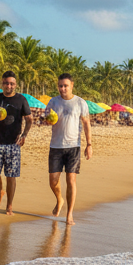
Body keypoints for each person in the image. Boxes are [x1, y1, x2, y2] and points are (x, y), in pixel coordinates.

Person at [45, 73, 92, 225]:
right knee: (53, 181)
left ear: (72, 85)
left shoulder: (80, 103)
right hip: (56, 146)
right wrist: (48, 120)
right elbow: (46, 119)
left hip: (73, 146)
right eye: (60, 86)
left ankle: (69, 214)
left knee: (71, 180)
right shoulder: (53, 102)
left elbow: (86, 123)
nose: (63, 88)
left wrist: (89, 144)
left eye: (65, 86)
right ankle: (59, 199)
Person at [0, 71, 32, 215]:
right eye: (6, 83)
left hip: (13, 144)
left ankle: (9, 206)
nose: (8, 86)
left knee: (11, 176)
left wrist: (24, 135)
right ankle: (0, 191)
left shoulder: (21, 100)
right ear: (2, 83)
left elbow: (29, 120)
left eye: (11, 83)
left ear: (15, 84)